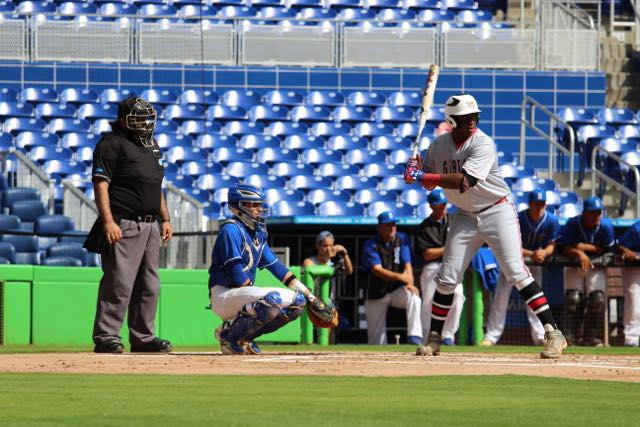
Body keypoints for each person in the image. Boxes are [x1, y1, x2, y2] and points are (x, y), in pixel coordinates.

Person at [403, 93, 567, 359]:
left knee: (516, 271)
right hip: (465, 215)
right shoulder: (438, 146)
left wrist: (423, 175)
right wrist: (416, 171)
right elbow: (431, 180)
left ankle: (553, 333)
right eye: (465, 118)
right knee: (447, 277)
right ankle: (433, 338)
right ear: (452, 121)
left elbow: (465, 181)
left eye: (474, 117)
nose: (471, 122)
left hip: (496, 209)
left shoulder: (483, 143)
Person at [86, 97, 173, 354]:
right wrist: (109, 221)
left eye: (148, 118)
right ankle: (106, 336)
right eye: (139, 118)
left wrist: (165, 218)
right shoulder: (111, 144)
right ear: (124, 119)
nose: (145, 123)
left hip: (151, 225)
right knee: (119, 282)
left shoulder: (152, 146)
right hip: (124, 223)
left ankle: (143, 337)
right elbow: (101, 184)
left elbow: (155, 186)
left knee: (150, 285)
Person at [209, 184, 317, 355]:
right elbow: (237, 276)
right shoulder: (230, 230)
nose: (260, 209)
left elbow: (278, 269)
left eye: (260, 204)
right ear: (240, 206)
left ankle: (244, 337)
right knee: (271, 300)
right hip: (223, 294)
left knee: (298, 304)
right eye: (254, 204)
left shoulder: (257, 234)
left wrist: (310, 296)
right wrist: (256, 300)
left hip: (242, 295)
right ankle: (229, 338)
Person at [482, 190, 560, 346]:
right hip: (513, 260)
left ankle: (539, 336)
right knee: (501, 298)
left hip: (536, 261)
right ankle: (491, 336)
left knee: (535, 300)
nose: (538, 207)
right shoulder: (518, 219)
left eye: (541, 204)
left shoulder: (551, 220)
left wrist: (543, 252)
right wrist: (532, 254)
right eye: (535, 204)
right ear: (529, 204)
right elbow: (511, 244)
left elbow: (552, 245)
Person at [559, 196, 616, 346]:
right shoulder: (573, 223)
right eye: (593, 212)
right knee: (573, 299)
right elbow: (564, 248)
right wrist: (579, 253)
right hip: (573, 264)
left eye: (599, 212)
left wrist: (582, 247)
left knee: (598, 300)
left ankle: (591, 338)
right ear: (584, 212)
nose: (597, 216)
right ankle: (569, 338)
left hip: (596, 267)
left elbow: (607, 249)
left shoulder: (606, 226)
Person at [361, 211, 422, 345]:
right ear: (379, 227)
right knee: (377, 341)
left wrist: (410, 281)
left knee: (413, 296)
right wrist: (403, 278)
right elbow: (378, 271)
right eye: (388, 225)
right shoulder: (370, 245)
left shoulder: (401, 238)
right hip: (375, 293)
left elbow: (407, 264)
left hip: (395, 290)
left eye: (393, 224)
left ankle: (415, 336)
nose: (392, 228)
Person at [414, 189, 464, 345]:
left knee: (457, 295)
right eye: (438, 205)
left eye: (443, 204)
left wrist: (448, 249)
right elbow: (427, 254)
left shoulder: (454, 220)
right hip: (431, 267)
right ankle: (428, 335)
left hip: (451, 265)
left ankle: (448, 335)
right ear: (431, 206)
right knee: (429, 301)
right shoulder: (424, 226)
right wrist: (448, 247)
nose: (442, 208)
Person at [617, 220, 640, 347]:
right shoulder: (637, 229)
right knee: (634, 303)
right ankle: (632, 338)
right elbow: (619, 245)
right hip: (634, 267)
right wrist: (627, 251)